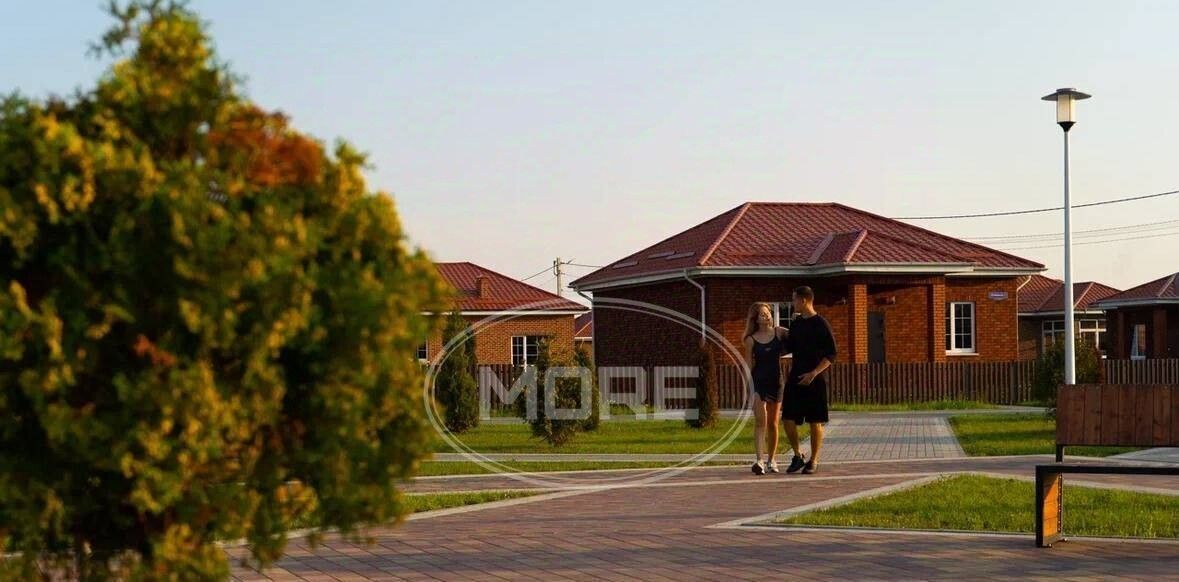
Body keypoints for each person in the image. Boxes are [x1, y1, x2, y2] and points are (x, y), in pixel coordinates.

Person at [781, 286, 836, 475]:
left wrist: (813, 373)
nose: (793, 303)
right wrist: (778, 333)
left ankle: (813, 460)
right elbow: (788, 347)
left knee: (815, 421)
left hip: (816, 379)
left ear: (804, 300)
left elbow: (831, 354)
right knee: (787, 418)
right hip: (795, 376)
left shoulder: (821, 324)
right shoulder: (796, 324)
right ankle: (797, 455)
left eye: (794, 299)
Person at [742, 302, 788, 475]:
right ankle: (759, 460)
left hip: (776, 382)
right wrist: (748, 388)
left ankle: (772, 460)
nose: (766, 316)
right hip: (758, 383)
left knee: (774, 423)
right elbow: (747, 364)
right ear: (756, 319)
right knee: (760, 421)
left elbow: (798, 339)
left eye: (767, 312)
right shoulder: (750, 339)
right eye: (762, 314)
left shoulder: (780, 332)